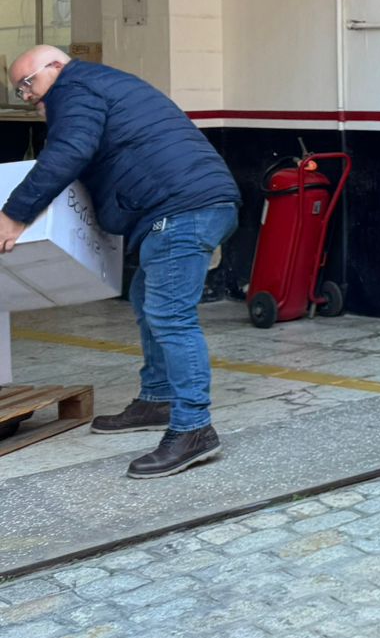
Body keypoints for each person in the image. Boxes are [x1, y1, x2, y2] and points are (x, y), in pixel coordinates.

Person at [0, 47, 241, 479]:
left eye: (28, 84)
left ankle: (193, 429)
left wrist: (13, 214)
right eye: (19, 90)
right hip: (188, 203)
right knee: (147, 296)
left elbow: (69, 151)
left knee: (170, 315)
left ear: (55, 67)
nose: (27, 98)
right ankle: (157, 398)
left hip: (182, 208)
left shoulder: (75, 89)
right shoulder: (96, 84)